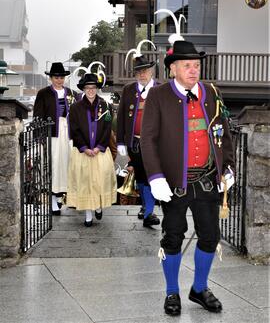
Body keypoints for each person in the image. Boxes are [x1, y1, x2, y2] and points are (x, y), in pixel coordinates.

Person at [140, 39, 235, 316]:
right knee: (172, 238)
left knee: (209, 236)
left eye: (196, 65)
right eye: (187, 66)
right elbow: (148, 139)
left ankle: (199, 288)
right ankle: (172, 291)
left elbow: (223, 133)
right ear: (173, 69)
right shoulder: (158, 96)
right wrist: (156, 177)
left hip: (206, 179)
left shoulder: (211, 92)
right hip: (173, 184)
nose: (193, 71)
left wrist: (227, 167)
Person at [116, 41, 160, 227]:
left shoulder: (160, 90)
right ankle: (146, 207)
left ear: (151, 72)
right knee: (141, 177)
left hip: (155, 143)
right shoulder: (128, 90)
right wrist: (121, 143)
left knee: (152, 176)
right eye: (138, 71)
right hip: (134, 143)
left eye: (145, 71)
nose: (142, 74)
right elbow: (121, 118)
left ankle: (149, 212)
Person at [67, 72, 117, 226]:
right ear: (83, 89)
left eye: (93, 87)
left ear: (97, 88)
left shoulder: (106, 106)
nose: (90, 90)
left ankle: (99, 207)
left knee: (100, 180)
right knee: (85, 183)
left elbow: (107, 128)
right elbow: (74, 129)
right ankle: (88, 215)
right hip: (83, 152)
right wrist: (85, 148)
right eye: (87, 88)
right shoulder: (75, 108)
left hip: (100, 151)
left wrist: (99, 147)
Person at [33, 62, 78, 215]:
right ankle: (53, 199)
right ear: (51, 78)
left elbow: (78, 116)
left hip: (68, 135)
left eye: (61, 77)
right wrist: (39, 137)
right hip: (52, 134)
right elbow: (38, 116)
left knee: (68, 164)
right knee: (53, 165)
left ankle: (63, 197)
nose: (59, 80)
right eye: (56, 77)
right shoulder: (43, 93)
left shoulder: (72, 93)